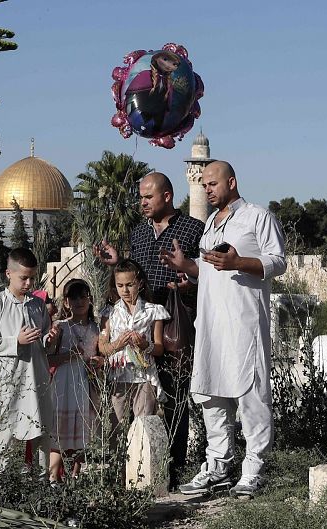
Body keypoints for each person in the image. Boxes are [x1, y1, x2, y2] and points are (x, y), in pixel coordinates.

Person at [160, 160, 286, 497]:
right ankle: (218, 465)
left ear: (231, 182)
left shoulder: (257, 217)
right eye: (203, 184)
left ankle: (254, 469)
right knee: (210, 396)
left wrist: (238, 262)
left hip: (243, 325)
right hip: (211, 324)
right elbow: (209, 269)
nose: (207, 189)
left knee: (251, 398)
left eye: (213, 183)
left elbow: (278, 262)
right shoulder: (211, 225)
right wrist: (188, 265)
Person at [94, 172, 203, 488]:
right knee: (134, 402)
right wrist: (117, 262)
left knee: (173, 396)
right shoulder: (139, 233)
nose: (142, 202)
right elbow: (133, 276)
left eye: (148, 197)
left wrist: (189, 283)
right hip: (139, 331)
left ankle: (173, 470)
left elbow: (207, 278)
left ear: (167, 196)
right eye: (140, 197)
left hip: (173, 328)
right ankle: (134, 470)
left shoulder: (193, 229)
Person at [0, 248, 61, 475]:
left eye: (32, 278)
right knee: (7, 428)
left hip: (38, 377)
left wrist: (50, 338)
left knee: (42, 428)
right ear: (9, 273)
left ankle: (41, 480)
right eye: (23, 278)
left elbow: (45, 340)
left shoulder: (37, 305)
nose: (28, 283)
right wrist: (16, 341)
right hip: (12, 379)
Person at [98, 259, 169, 431]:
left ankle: (143, 459)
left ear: (140, 283)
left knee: (144, 427)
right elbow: (102, 347)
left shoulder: (153, 310)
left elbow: (159, 348)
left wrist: (145, 344)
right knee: (116, 428)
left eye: (129, 284)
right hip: (118, 375)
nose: (125, 290)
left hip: (144, 376)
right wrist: (117, 344)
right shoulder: (110, 312)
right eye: (120, 285)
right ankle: (118, 459)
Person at [47, 279, 99, 480]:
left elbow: (100, 354)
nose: (79, 301)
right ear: (66, 302)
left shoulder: (96, 328)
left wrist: (96, 361)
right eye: (73, 297)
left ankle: (75, 476)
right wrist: (68, 356)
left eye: (83, 296)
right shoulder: (60, 327)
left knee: (82, 430)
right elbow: (48, 357)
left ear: (90, 299)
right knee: (59, 430)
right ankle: (53, 477)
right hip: (63, 384)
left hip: (85, 383)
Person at [125, 51, 181, 136]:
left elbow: (168, 103)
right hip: (141, 115)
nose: (170, 65)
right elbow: (131, 96)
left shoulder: (168, 82)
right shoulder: (145, 75)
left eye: (175, 64)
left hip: (158, 119)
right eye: (165, 60)